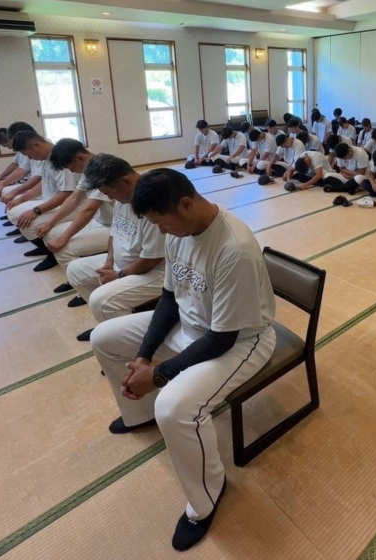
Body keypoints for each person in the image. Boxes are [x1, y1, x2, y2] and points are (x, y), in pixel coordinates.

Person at [90, 169, 276, 551]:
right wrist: (144, 357)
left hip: (242, 341)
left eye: (162, 223)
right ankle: (138, 414)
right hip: (192, 327)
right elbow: (169, 298)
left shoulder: (234, 248)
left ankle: (206, 498)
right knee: (103, 337)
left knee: (174, 408)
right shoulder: (178, 232)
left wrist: (159, 376)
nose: (161, 232)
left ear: (186, 205)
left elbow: (222, 338)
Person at [65, 155, 165, 338]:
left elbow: (153, 258)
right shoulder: (122, 197)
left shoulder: (152, 201)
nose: (109, 197)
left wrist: (119, 275)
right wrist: (108, 263)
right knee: (75, 270)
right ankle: (108, 325)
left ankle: (125, 337)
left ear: (126, 181)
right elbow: (114, 233)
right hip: (125, 265)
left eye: (109, 193)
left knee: (102, 300)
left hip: (155, 272)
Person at [37, 139, 114, 274]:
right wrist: (50, 223)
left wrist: (64, 238)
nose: (72, 172)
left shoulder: (102, 169)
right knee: (51, 233)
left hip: (113, 226)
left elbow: (89, 210)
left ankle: (80, 281)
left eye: (70, 167)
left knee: (64, 249)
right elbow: (74, 198)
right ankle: (77, 275)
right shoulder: (89, 168)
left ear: (79, 158)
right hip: (99, 221)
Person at [6, 131, 78, 271]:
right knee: (17, 214)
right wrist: (20, 199)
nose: (30, 158)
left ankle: (51, 254)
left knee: (28, 223)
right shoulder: (47, 159)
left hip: (71, 207)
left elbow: (67, 193)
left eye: (28, 154)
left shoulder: (60, 159)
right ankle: (45, 248)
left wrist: (36, 210)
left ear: (36, 145)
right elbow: (43, 184)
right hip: (54, 203)